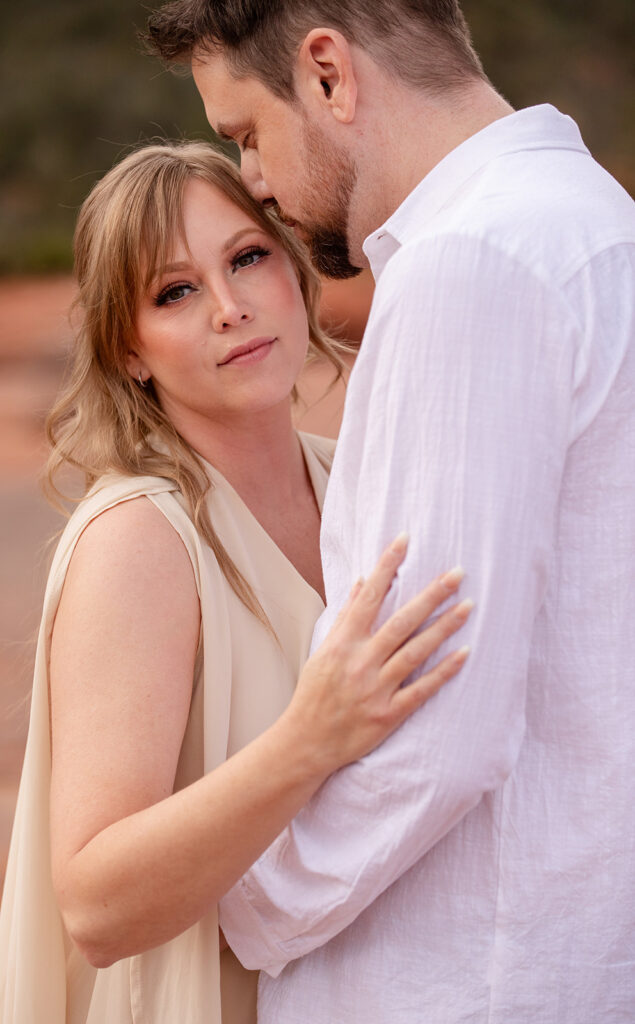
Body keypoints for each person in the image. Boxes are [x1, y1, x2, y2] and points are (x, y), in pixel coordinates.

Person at [145, 2, 635, 1021]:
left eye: (245, 133)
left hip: (452, 979)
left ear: (327, 73)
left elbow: (431, 722)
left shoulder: (470, 264)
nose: (254, 179)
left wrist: (240, 911)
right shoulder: (592, 223)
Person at [0, 141, 472, 1024]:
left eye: (247, 259)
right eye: (174, 292)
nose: (229, 308)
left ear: (293, 274)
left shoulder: (360, 483)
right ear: (128, 352)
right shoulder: (140, 535)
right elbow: (97, 908)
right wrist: (309, 740)